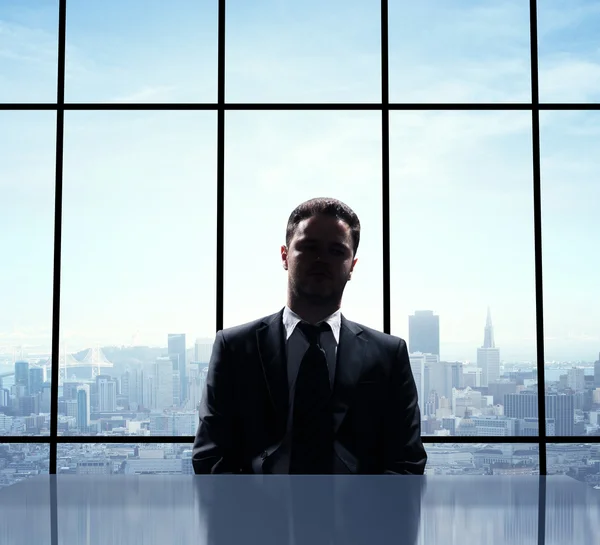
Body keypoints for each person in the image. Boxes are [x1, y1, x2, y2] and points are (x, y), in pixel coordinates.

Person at [192, 197, 427, 474]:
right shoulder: (234, 348)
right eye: (308, 247)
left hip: (360, 515)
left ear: (353, 265)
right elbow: (210, 456)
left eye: (337, 251)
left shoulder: (389, 355)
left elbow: (407, 462)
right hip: (256, 514)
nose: (321, 260)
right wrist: (252, 515)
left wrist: (365, 516)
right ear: (284, 256)